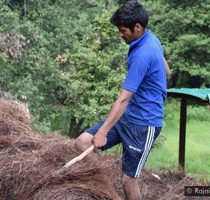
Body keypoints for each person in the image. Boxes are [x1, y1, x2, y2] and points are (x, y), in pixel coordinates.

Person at [75, 1, 170, 200]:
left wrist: (103, 132)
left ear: (137, 27)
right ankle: (107, 190)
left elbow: (124, 98)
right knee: (83, 142)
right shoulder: (151, 38)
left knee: (129, 180)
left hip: (143, 125)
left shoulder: (142, 55)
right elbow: (167, 70)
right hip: (127, 116)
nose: (120, 34)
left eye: (122, 30)